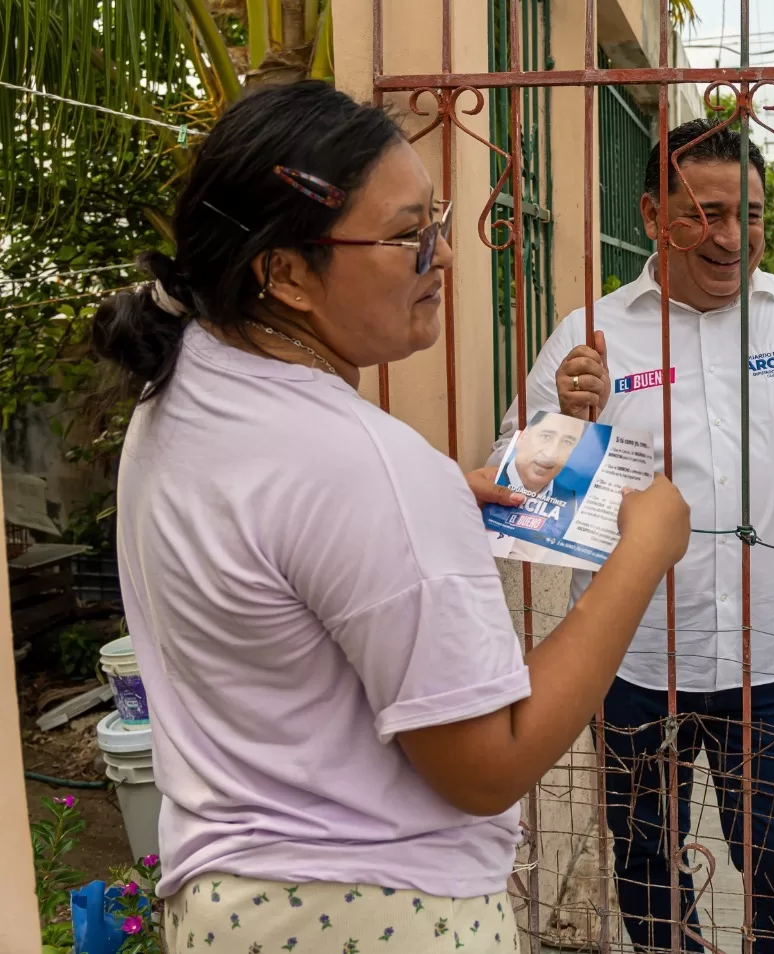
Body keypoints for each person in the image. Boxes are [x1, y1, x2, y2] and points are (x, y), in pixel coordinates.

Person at [93, 81, 689, 954]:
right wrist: (641, 555)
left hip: (234, 902)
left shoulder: (183, 394)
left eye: (437, 222)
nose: (444, 258)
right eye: (409, 236)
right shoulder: (362, 464)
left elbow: (280, 546)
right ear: (286, 273)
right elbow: (488, 766)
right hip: (375, 911)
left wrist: (426, 500)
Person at [495, 118, 774, 954]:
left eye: (751, 214)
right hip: (633, 664)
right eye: (704, 212)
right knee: (649, 877)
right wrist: (567, 419)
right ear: (654, 214)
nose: (731, 237)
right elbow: (515, 491)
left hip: (772, 663)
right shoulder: (592, 335)